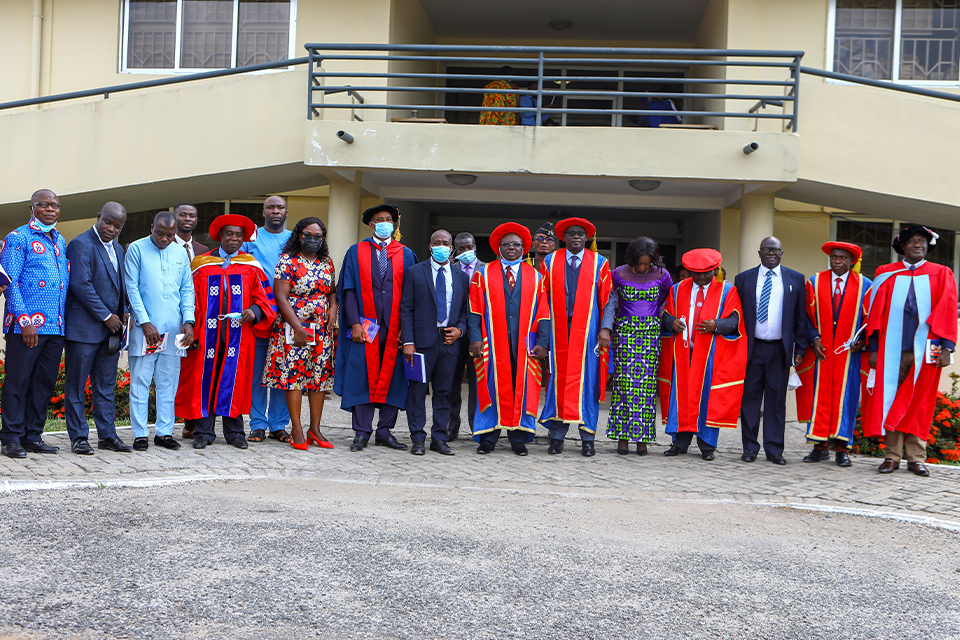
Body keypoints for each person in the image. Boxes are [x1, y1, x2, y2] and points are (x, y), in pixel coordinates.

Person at [176, 214, 276, 449]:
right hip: (204, 335)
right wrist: (188, 326)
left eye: (239, 235)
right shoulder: (201, 265)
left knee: (234, 380)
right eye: (229, 234)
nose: (234, 238)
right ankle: (203, 432)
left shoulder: (251, 266)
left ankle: (235, 433)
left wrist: (254, 310)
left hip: (237, 337)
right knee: (204, 380)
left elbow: (267, 299)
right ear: (219, 236)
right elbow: (187, 298)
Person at [864, 225, 957, 477]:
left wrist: (947, 348)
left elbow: (947, 312)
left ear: (928, 246)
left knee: (921, 400)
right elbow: (875, 316)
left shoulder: (942, 273)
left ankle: (916, 458)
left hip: (928, 349)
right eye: (912, 241)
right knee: (891, 399)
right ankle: (892, 456)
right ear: (902, 246)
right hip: (889, 350)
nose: (918, 244)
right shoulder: (886, 273)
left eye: (922, 241)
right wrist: (873, 349)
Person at [335, 204, 417, 452]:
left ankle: (384, 431)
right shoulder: (356, 251)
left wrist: (408, 329)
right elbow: (347, 289)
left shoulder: (406, 253)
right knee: (361, 376)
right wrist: (354, 323)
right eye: (379, 220)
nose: (385, 223)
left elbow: (413, 295)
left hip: (396, 328)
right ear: (371, 225)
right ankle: (361, 433)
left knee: (394, 378)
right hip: (365, 327)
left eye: (389, 219)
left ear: (394, 224)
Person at [468, 223, 549, 455]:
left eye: (516, 244)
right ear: (498, 248)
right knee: (490, 386)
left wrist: (542, 343)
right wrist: (474, 338)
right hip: (492, 342)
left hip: (525, 344)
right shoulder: (482, 274)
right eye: (507, 244)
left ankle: (519, 437)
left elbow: (544, 312)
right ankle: (487, 437)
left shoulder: (535, 276)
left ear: (524, 248)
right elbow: (474, 310)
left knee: (522, 386)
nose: (511, 248)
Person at [659, 249, 747, 460]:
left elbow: (735, 321)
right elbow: (664, 314)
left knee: (707, 399)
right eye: (695, 273)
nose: (700, 277)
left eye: (705, 273)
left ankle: (707, 446)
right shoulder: (677, 289)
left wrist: (716, 324)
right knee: (681, 398)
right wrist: (671, 322)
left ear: (715, 270)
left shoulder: (728, 291)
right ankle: (679, 442)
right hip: (683, 353)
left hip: (710, 356)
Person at [0, 190, 68, 459]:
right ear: (32, 207)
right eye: (44, 204)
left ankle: (32, 435)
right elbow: (8, 281)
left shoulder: (60, 240)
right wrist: (24, 321)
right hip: (26, 327)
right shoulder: (18, 238)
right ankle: (11, 437)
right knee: (18, 381)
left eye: (55, 205)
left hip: (56, 326)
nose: (50, 209)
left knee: (43, 383)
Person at [63, 202, 133, 455]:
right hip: (84, 330)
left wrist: (124, 310)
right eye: (108, 222)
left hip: (111, 332)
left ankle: (107, 436)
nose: (111, 229)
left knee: (105, 386)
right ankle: (79, 437)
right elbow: (81, 285)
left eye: (118, 226)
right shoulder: (81, 244)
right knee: (76, 386)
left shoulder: (117, 248)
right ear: (98, 217)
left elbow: (119, 284)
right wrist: (106, 315)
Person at [539, 217, 612, 457]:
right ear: (564, 237)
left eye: (580, 233)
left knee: (587, 384)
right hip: (558, 331)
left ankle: (587, 439)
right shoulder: (551, 260)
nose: (576, 236)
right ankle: (557, 437)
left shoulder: (599, 263)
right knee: (559, 382)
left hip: (588, 332)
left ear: (587, 237)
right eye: (571, 233)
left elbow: (609, 299)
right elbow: (543, 298)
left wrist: (605, 328)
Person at [263, 217, 337, 451]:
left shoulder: (327, 262)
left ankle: (315, 429)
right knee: (293, 377)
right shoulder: (287, 261)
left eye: (318, 236)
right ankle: (296, 428)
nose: (313, 239)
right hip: (293, 327)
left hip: (322, 329)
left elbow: (332, 292)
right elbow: (281, 298)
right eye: (308, 234)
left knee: (319, 378)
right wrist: (298, 327)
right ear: (299, 235)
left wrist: (333, 309)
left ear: (323, 239)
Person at [796, 241, 872, 468]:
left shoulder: (865, 285)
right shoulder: (814, 282)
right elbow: (805, 317)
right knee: (820, 398)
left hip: (848, 356)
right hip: (822, 352)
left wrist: (863, 341)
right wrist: (814, 339)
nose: (837, 261)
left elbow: (871, 320)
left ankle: (842, 449)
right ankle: (819, 447)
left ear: (852, 261)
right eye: (834, 257)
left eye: (842, 258)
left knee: (846, 399)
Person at [125, 211, 196, 452]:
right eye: (160, 233)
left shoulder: (180, 252)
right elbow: (131, 288)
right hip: (145, 331)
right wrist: (144, 322)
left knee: (168, 384)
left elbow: (187, 288)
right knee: (140, 382)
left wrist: (189, 320)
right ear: (151, 226)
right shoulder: (136, 248)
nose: (165, 239)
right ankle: (140, 434)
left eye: (170, 235)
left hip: (173, 330)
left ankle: (164, 433)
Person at [734, 236, 809, 465]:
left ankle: (774, 449)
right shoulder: (743, 279)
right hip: (752, 348)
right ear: (759, 253)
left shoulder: (795, 279)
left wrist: (801, 348)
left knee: (776, 402)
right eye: (766, 249)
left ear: (781, 253)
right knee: (750, 401)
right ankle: (749, 447)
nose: (770, 253)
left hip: (780, 350)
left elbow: (800, 318)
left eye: (775, 249)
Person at [599, 237, 672, 455]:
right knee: (623, 388)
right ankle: (622, 438)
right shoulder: (618, 273)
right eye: (638, 263)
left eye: (647, 264)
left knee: (647, 389)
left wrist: (655, 318)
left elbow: (666, 299)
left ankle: (642, 439)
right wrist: (607, 328)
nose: (642, 267)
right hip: (625, 334)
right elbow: (611, 302)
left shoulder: (662, 274)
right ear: (631, 258)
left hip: (650, 335)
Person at [400, 229, 470, 456]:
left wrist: (460, 329)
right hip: (420, 344)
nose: (441, 246)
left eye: (445, 243)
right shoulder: (414, 272)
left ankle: (439, 438)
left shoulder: (461, 276)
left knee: (445, 393)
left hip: (450, 343)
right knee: (417, 392)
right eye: (436, 243)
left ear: (451, 248)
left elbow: (463, 309)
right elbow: (406, 308)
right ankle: (417, 438)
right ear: (430, 247)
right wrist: (408, 341)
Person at [242, 195, 293, 443]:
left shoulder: (296, 238)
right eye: (270, 207)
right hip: (260, 313)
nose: (275, 211)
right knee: (258, 372)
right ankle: (258, 424)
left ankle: (278, 424)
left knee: (283, 370)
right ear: (263, 212)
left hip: (289, 317)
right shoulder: (251, 239)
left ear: (286, 212)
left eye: (280, 207)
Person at [448, 232, 484, 440]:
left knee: (477, 382)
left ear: (475, 247)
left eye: (468, 247)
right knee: (451, 382)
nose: (465, 252)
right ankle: (451, 426)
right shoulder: (450, 270)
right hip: (455, 334)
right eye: (461, 248)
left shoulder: (487, 269)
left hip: (478, 336)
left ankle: (476, 425)